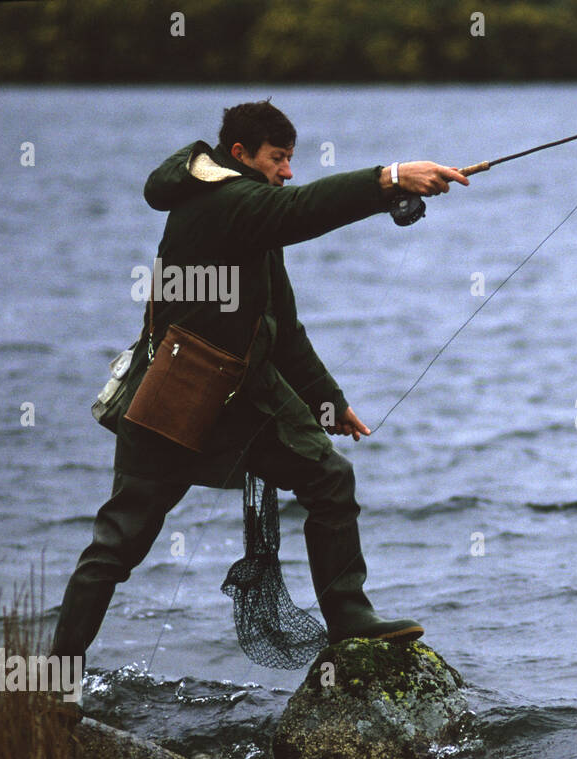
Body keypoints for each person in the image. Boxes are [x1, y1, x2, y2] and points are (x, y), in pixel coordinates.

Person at [49, 99, 469, 666]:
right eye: (278, 158)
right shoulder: (227, 201)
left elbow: (281, 327)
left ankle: (349, 618)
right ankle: (56, 678)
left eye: (292, 158)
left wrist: (328, 401)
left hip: (227, 391)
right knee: (119, 544)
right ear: (241, 153)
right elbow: (302, 209)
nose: (288, 171)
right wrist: (389, 178)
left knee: (328, 479)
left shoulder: (246, 207)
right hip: (177, 396)